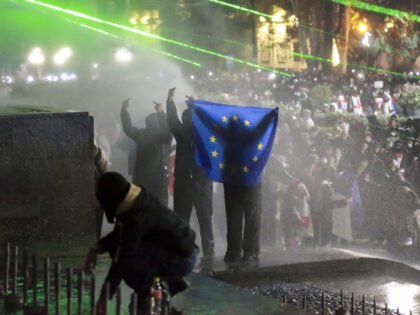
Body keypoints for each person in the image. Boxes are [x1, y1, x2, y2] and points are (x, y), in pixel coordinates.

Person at [85, 172, 198, 315]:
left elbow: (122, 261)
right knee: (119, 248)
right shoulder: (135, 201)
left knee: (129, 259)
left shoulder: (137, 218)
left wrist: (103, 298)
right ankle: (161, 293)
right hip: (177, 251)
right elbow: (119, 234)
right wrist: (97, 247)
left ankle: (156, 294)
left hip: (181, 258)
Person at [166, 87, 215, 259]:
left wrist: (170, 101)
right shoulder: (203, 133)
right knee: (203, 219)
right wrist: (194, 104)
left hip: (187, 182)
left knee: (185, 219)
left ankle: (182, 249)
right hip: (199, 183)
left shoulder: (187, 133)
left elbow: (172, 119)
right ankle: (208, 250)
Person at [120, 98, 173, 206]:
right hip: (159, 181)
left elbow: (128, 128)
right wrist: (161, 112)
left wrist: (124, 110)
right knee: (161, 211)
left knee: (142, 211)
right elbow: (169, 130)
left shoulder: (141, 135)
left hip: (142, 180)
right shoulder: (163, 137)